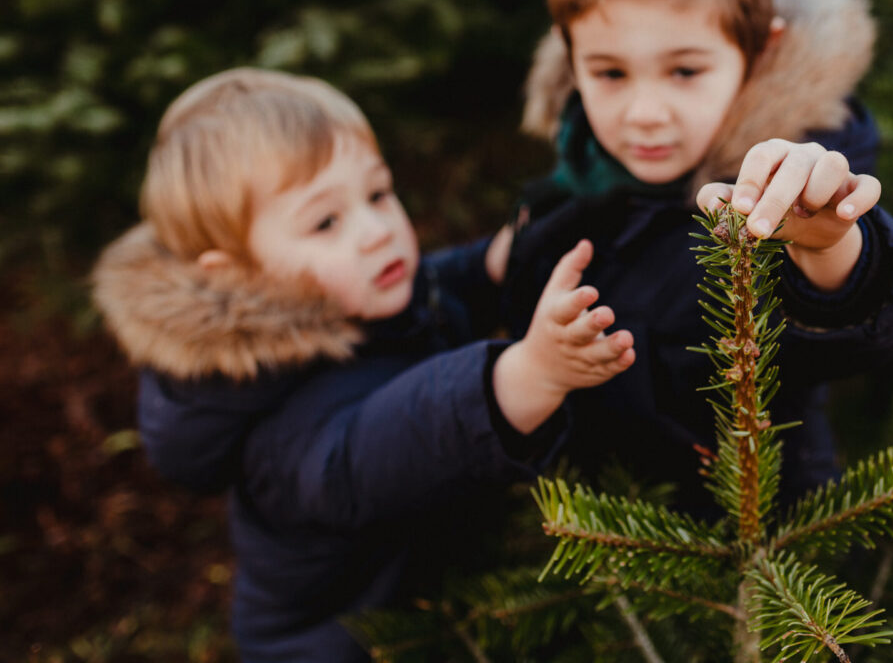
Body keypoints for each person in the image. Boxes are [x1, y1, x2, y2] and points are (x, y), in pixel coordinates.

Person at [91, 68, 635, 661]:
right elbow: (394, 440)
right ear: (239, 276)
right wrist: (528, 373)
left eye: (377, 195)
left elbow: (434, 289)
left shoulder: (354, 301)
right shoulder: (278, 421)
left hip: (433, 607)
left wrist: (498, 258)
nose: (378, 232)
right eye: (326, 222)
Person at [498, 0, 893, 512]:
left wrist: (827, 246)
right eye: (610, 73)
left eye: (684, 71)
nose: (644, 112)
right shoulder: (585, 170)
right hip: (593, 528)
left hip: (758, 545)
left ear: (758, 52)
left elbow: (879, 319)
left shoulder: (788, 183)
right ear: (569, 58)